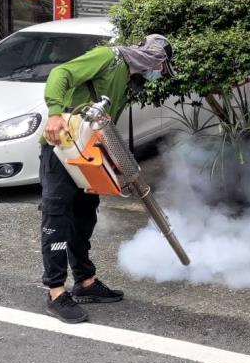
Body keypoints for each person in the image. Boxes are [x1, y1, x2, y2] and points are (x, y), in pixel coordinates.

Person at [39, 34, 174, 323]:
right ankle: (55, 290)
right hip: (63, 149)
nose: (156, 76)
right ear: (155, 60)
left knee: (84, 216)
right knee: (57, 217)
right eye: (160, 69)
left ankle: (85, 281)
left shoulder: (127, 81)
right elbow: (59, 73)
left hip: (88, 152)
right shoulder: (108, 58)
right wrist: (55, 112)